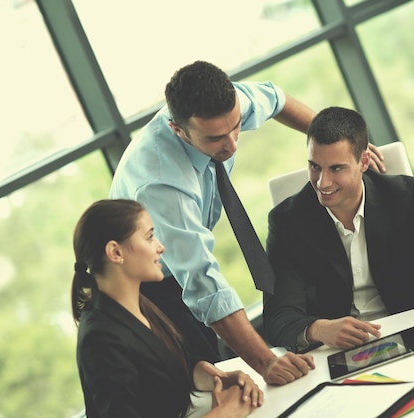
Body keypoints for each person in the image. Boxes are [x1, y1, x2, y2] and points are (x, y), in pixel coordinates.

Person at [110, 60, 343, 385]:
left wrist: (337, 146)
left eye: (236, 127)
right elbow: (203, 283)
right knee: (198, 379)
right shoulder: (161, 182)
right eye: (216, 138)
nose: (233, 145)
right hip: (146, 286)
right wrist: (265, 362)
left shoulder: (226, 105)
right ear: (179, 130)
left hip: (178, 265)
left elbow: (277, 99)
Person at [263, 106, 414, 353]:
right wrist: (319, 329)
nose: (322, 182)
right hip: (337, 351)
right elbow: (277, 316)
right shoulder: (287, 222)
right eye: (315, 167)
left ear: (364, 162)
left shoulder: (406, 197)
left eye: (336, 168)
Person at [72, 199, 263, 418]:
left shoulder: (140, 306)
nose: (160, 247)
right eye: (150, 237)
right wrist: (225, 413)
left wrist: (216, 377)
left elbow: (165, 368)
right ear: (115, 252)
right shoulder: (99, 340)